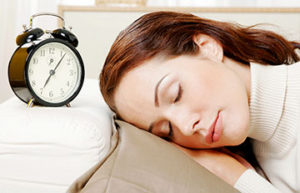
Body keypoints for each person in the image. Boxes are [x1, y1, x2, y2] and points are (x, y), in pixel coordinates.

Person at [99, 11, 300, 193]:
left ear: (208, 47)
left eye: (176, 94)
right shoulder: (258, 157)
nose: (186, 127)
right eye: (167, 131)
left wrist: (230, 173)